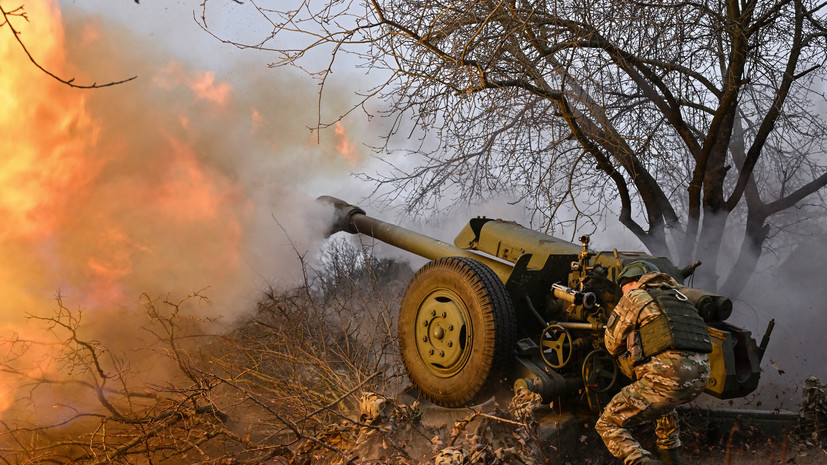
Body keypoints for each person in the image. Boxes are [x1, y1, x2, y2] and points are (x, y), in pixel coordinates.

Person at [595, 261, 712, 465]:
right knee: (664, 407)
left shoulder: (635, 296)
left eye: (623, 288)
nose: (623, 294)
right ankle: (670, 459)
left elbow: (612, 344)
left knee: (608, 422)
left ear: (633, 280)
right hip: (699, 378)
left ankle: (642, 461)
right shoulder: (679, 298)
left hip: (668, 377)